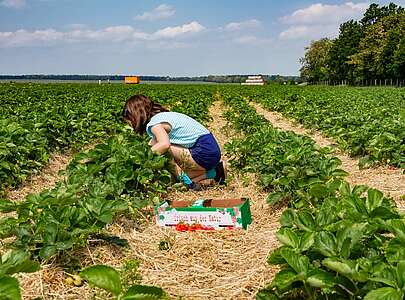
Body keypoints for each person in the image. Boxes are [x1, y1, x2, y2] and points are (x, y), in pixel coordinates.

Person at [122, 94, 226, 190]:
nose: (130, 124)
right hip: (211, 150)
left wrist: (142, 159)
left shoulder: (155, 124)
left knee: (162, 148)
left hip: (204, 152)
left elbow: (164, 145)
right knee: (155, 146)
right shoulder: (163, 116)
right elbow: (151, 144)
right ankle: (215, 172)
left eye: (130, 120)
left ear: (136, 115)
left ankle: (187, 183)